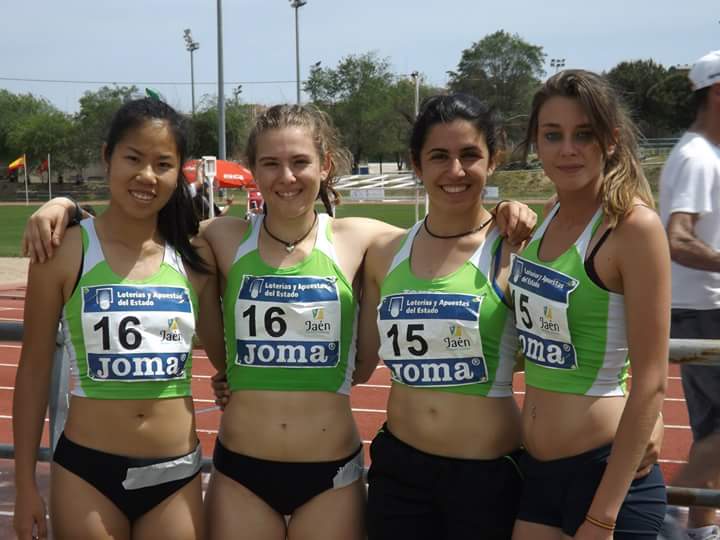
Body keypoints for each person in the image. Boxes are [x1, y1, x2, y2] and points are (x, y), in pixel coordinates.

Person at [20, 104, 536, 540]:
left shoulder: (365, 240)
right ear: (253, 170)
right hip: (243, 470)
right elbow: (139, 233)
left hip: (330, 473)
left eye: (300, 162)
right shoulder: (220, 237)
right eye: (271, 163)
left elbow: (447, 234)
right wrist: (64, 205)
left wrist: (509, 210)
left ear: (325, 165)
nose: (286, 177)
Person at [13, 98, 226, 540]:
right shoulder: (63, 252)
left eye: (163, 164)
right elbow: (33, 370)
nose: (146, 176)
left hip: (175, 474)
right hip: (87, 474)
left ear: (179, 172)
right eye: (133, 158)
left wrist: (232, 381)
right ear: (108, 156)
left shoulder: (197, 256)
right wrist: (25, 483)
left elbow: (225, 352)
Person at [358, 93, 530, 540]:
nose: (455, 171)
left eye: (470, 155)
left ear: (495, 160)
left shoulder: (518, 246)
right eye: (439, 156)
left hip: (486, 477)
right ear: (416, 164)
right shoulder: (385, 252)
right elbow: (357, 363)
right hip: (400, 473)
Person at [509, 70, 670, 539]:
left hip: (606, 478)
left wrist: (601, 518)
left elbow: (653, 382)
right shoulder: (547, 216)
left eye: (584, 134)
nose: (567, 149)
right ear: (535, 143)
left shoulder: (633, 229)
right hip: (538, 475)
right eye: (552, 135)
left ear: (612, 140)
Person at [659, 50, 720, 540]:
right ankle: (672, 519)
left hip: (706, 307)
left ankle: (701, 527)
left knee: (713, 433)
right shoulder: (697, 157)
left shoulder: (707, 153)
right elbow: (678, 239)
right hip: (703, 309)